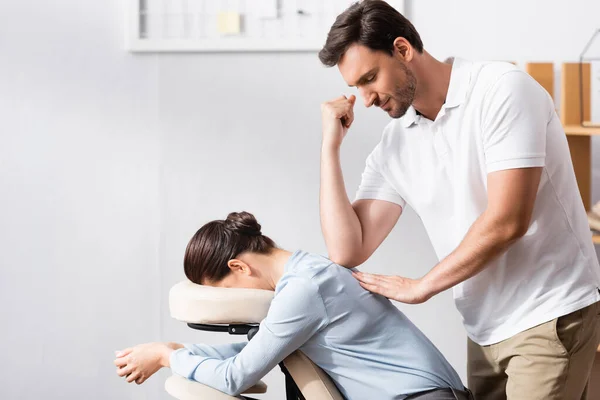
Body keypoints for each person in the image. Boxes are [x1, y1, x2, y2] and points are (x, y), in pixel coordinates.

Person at [316, 1, 600, 399]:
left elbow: (508, 220)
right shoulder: (394, 145)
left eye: (370, 78)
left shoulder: (502, 90)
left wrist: (423, 287)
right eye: (356, 88)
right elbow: (347, 249)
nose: (366, 100)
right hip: (483, 329)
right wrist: (330, 148)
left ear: (402, 49)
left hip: (548, 312)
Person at [115, 211, 471, 400]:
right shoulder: (307, 272)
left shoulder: (305, 289)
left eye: (225, 291)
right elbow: (267, 347)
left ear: (238, 267)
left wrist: (166, 357)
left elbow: (237, 375)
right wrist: (183, 350)